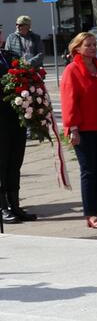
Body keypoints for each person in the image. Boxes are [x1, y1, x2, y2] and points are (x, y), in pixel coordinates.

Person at [60, 32, 97, 230]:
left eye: (95, 44)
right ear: (77, 48)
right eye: (88, 45)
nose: (94, 48)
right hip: (84, 129)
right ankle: (91, 214)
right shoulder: (72, 70)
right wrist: (72, 127)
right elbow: (69, 101)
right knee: (89, 172)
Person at [0, 37, 35, 225]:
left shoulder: (9, 56)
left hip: (16, 118)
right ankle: (2, 208)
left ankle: (15, 205)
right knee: (1, 164)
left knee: (15, 162)